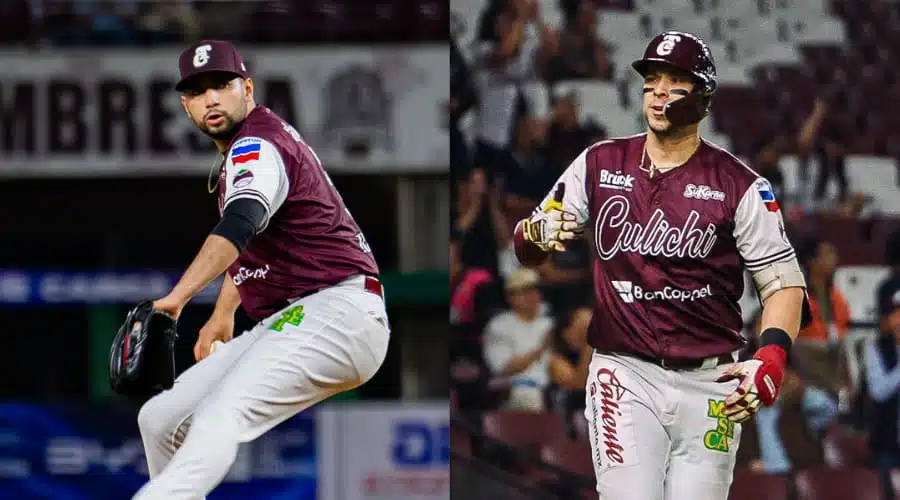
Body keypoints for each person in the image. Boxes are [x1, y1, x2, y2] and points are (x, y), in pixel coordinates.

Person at [512, 31, 809, 499]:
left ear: (704, 97)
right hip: (625, 371)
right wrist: (533, 238)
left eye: (676, 81)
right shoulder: (599, 162)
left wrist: (770, 356)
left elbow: (784, 285)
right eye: (652, 79)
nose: (659, 92)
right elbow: (531, 241)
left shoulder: (740, 185)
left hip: (713, 382)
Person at [131, 40, 389, 500]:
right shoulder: (258, 140)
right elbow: (257, 237)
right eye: (197, 91)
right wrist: (223, 314)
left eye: (221, 85)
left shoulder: (255, 145)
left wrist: (176, 299)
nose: (211, 98)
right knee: (161, 419)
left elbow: (241, 221)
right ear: (185, 105)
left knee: (219, 417)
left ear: (246, 88)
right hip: (299, 317)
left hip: (337, 312)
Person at [482, 267, 554, 411]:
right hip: (515, 394)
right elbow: (504, 368)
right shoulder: (499, 325)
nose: (532, 296)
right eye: (525, 291)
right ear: (510, 297)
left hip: (552, 394)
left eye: (535, 290)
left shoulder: (549, 324)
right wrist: (541, 348)